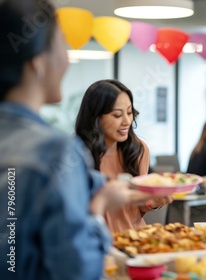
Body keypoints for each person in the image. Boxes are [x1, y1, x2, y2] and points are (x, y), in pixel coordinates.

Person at [0, 1, 155, 279]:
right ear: (38, 63)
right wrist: (97, 208)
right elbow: (78, 268)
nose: (68, 59)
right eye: (61, 44)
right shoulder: (53, 152)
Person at [75, 79, 173, 233]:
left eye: (129, 112)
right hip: (98, 241)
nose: (127, 121)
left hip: (134, 239)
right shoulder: (77, 154)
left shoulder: (139, 150)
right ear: (96, 117)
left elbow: (137, 210)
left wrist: (152, 201)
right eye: (117, 115)